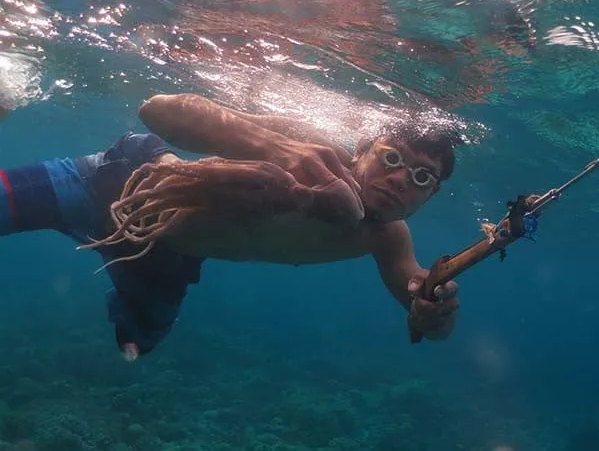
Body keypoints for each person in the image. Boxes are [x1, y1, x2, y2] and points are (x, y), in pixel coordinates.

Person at [0, 93, 462, 361]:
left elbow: (421, 300)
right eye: (392, 158)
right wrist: (275, 146)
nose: (402, 179)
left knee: (139, 341)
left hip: (166, 251)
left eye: (423, 177)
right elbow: (157, 111)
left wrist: (433, 314)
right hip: (111, 182)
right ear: (362, 150)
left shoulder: (386, 236)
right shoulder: (311, 144)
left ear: (431, 195)